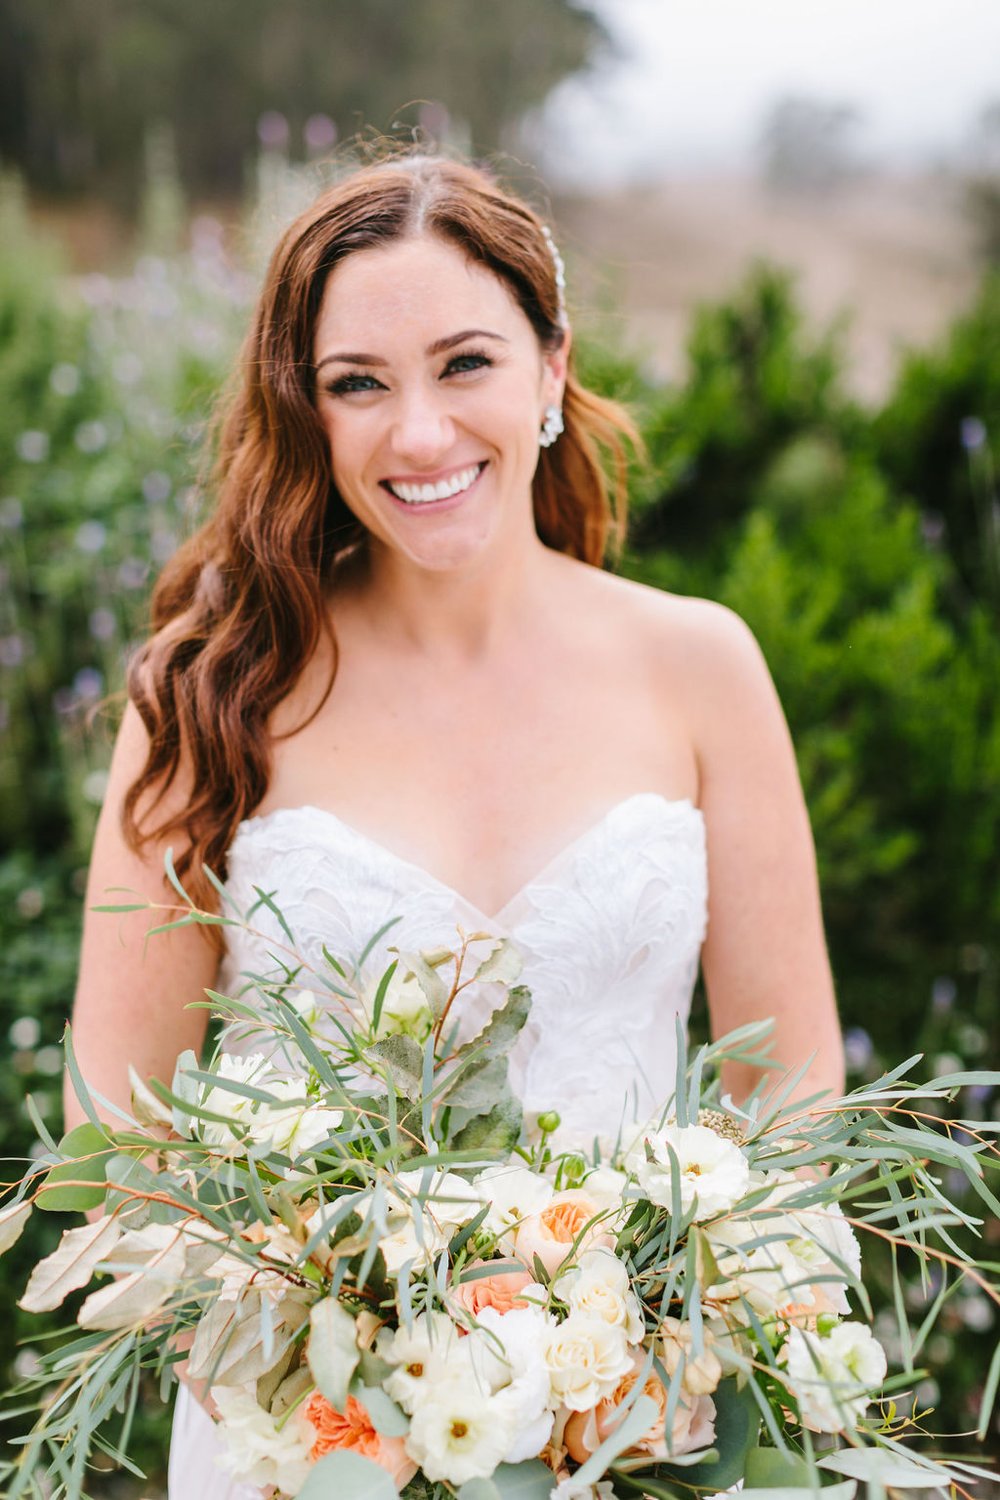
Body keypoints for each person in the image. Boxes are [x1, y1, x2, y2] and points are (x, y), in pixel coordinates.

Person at [65, 150, 844, 1497]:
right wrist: (344, 1331)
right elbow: (122, 1142)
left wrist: (672, 1324)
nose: (416, 434)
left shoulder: (700, 669)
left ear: (552, 365)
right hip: (304, 1450)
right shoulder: (208, 692)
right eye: (358, 383)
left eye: (465, 363)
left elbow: (794, 1107)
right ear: (304, 412)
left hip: (637, 1432)